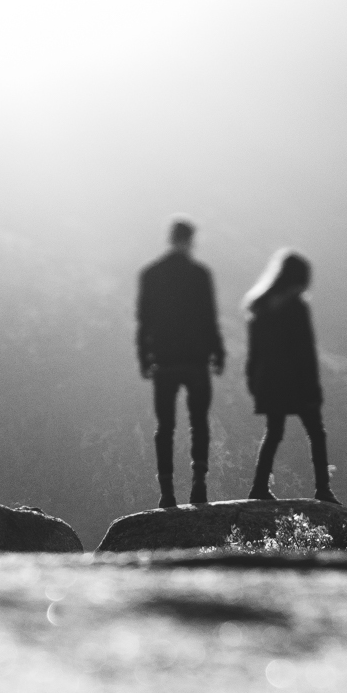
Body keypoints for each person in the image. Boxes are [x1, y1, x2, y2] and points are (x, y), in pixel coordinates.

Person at [135, 218, 226, 508]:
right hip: (196, 360)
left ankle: (167, 492)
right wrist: (218, 353)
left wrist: (143, 357)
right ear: (190, 240)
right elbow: (210, 317)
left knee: (165, 427)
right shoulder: (200, 274)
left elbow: (144, 320)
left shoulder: (151, 274)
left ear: (169, 238)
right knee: (199, 423)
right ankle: (199, 485)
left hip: (164, 360)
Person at [243, 249, 334, 503]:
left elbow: (254, 352)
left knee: (273, 433)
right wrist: (314, 389)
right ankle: (323, 490)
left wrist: (253, 381)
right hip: (296, 381)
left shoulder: (260, 306)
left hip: (270, 381)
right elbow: (305, 351)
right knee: (316, 432)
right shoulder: (297, 308)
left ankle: (258, 488)